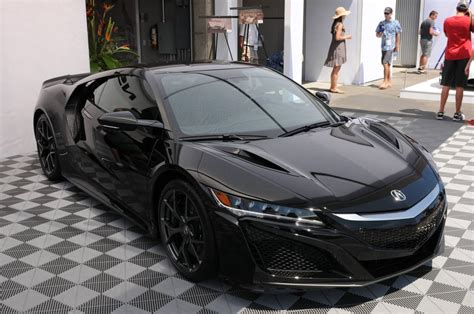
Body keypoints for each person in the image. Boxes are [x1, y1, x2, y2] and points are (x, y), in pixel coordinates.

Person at [437, 1, 473, 122]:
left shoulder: (447, 20)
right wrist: (471, 16)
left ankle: (440, 112)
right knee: (460, 85)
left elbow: (447, 35)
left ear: (457, 8)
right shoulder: (469, 20)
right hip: (464, 55)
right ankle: (457, 113)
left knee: (445, 84)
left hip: (450, 54)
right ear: (466, 9)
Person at [324, 7, 352, 94]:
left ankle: (333, 86)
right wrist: (347, 37)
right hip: (338, 48)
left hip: (336, 47)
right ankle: (334, 87)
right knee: (336, 68)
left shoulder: (335, 23)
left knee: (335, 69)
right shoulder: (339, 24)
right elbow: (337, 37)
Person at [376, 7, 402, 90]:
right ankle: (389, 81)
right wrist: (380, 33)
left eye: (387, 13)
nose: (386, 15)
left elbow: (398, 34)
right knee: (387, 64)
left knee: (385, 63)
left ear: (391, 13)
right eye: (385, 13)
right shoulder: (381, 23)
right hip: (384, 46)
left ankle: (385, 81)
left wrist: (397, 45)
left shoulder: (395, 23)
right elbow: (377, 35)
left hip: (391, 46)